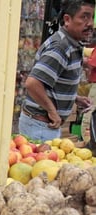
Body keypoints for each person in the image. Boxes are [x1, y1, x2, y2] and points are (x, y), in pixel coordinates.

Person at [18, 0, 95, 142]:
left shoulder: (71, 44)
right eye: (84, 17)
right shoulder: (60, 47)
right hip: (40, 126)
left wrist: (75, 98)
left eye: (91, 17)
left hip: (44, 125)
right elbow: (32, 83)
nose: (90, 23)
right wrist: (52, 112)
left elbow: (52, 82)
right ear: (67, 19)